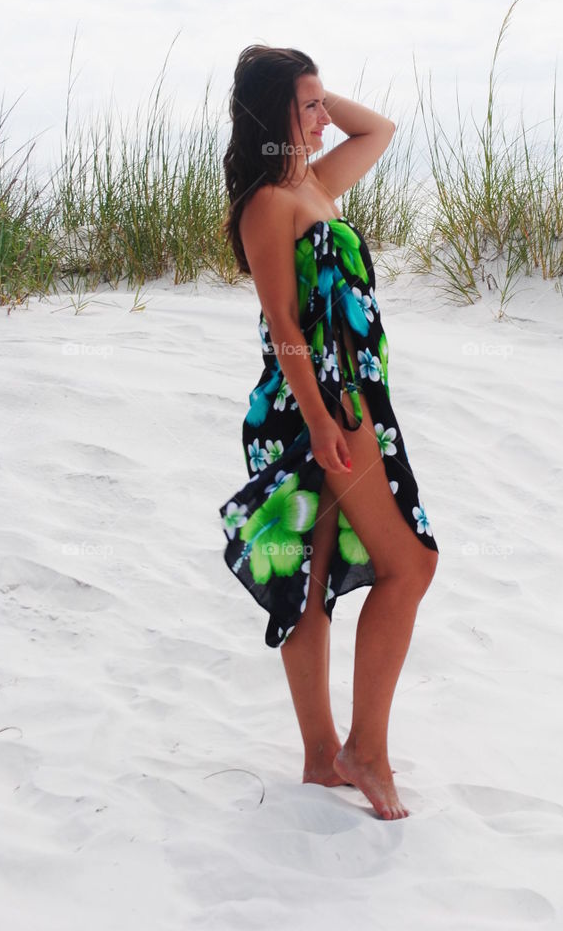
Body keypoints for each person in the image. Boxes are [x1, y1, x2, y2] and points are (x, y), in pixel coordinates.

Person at [220, 45, 439, 821]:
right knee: (408, 566)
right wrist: (318, 422)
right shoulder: (268, 205)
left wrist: (308, 97)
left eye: (321, 105)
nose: (322, 118)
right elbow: (283, 324)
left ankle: (322, 758)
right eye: (306, 106)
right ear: (272, 113)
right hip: (319, 408)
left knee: (315, 582)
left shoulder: (312, 182)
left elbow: (377, 130)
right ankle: (362, 750)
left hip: (352, 402)